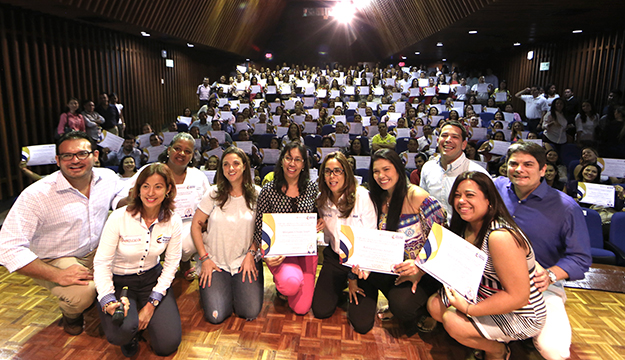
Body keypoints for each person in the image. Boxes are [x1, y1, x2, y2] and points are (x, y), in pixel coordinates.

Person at [0, 131, 123, 335]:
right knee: (82, 293)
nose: (75, 160)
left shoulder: (107, 177)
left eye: (82, 154)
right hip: (55, 258)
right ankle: (71, 315)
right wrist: (58, 275)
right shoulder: (36, 195)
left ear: (95, 156)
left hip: (95, 250)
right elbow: (7, 248)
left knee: (134, 267)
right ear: (57, 160)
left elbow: (120, 193)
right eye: (67, 155)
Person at [427, 171, 546, 360]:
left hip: (520, 313)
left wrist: (468, 309)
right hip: (483, 294)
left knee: (452, 320)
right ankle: (486, 337)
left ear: (489, 200)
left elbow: (519, 298)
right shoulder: (465, 225)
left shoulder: (500, 236)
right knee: (435, 305)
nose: (461, 201)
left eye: (470, 195)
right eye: (457, 195)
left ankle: (497, 350)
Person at [494, 142, 591, 360]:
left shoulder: (566, 207)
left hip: (541, 286)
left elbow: (580, 257)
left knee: (554, 351)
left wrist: (550, 275)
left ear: (543, 170)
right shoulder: (496, 189)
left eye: (528, 164)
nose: (520, 169)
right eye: (514, 164)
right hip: (495, 280)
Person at [349, 149, 446, 335]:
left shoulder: (416, 195)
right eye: (376, 171)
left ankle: (432, 309)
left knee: (403, 307)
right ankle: (397, 300)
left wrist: (420, 268)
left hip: (425, 270)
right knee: (366, 274)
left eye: (386, 169)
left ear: (399, 169)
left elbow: (442, 236)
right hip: (393, 266)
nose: (381, 176)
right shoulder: (377, 197)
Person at [94, 163, 182, 357]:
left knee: (167, 345)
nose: (151, 192)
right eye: (145, 186)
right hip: (119, 281)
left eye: (158, 186)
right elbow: (101, 263)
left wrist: (151, 305)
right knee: (121, 333)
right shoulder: (119, 217)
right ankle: (132, 329)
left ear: (168, 189)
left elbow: (171, 264)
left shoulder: (173, 221)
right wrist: (108, 299)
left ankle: (142, 315)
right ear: (138, 189)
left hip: (151, 279)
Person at [114, 133, 210, 280]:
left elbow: (209, 204)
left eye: (188, 151)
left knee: (190, 242)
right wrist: (130, 198)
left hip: (188, 225)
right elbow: (118, 201)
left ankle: (185, 263)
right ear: (169, 150)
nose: (182, 153)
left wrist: (206, 220)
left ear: (192, 156)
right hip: (152, 222)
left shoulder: (198, 176)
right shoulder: (150, 171)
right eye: (178, 148)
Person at [190, 147, 264, 324]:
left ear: (245, 166)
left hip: (244, 260)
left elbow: (262, 230)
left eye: (236, 164)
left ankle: (236, 288)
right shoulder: (214, 193)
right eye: (226, 164)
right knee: (216, 316)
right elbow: (196, 225)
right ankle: (223, 288)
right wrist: (204, 258)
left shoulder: (257, 194)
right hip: (216, 261)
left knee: (249, 311)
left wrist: (251, 253)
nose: (231, 168)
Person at [253, 142, 322, 315]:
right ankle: (284, 285)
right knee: (290, 284)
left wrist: (321, 222)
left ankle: (292, 286)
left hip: (306, 252)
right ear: (282, 160)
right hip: (279, 253)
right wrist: (265, 255)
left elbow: (319, 214)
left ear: (304, 164)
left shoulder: (312, 189)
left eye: (298, 159)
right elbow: (260, 227)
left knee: (301, 309)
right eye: (288, 158)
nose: (292, 164)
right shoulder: (268, 190)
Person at [311, 152, 377, 319]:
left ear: (346, 173)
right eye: (327, 171)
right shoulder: (321, 200)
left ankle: (350, 285)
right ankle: (339, 289)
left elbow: (371, 238)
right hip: (335, 259)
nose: (332, 176)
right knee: (320, 311)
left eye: (337, 171)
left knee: (361, 323)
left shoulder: (362, 197)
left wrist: (353, 278)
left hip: (361, 263)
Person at [420, 120, 490, 220]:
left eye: (455, 137)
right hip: (434, 231)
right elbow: (424, 203)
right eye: (444, 135)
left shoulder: (478, 173)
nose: (448, 140)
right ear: (438, 141)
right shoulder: (428, 168)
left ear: (463, 145)